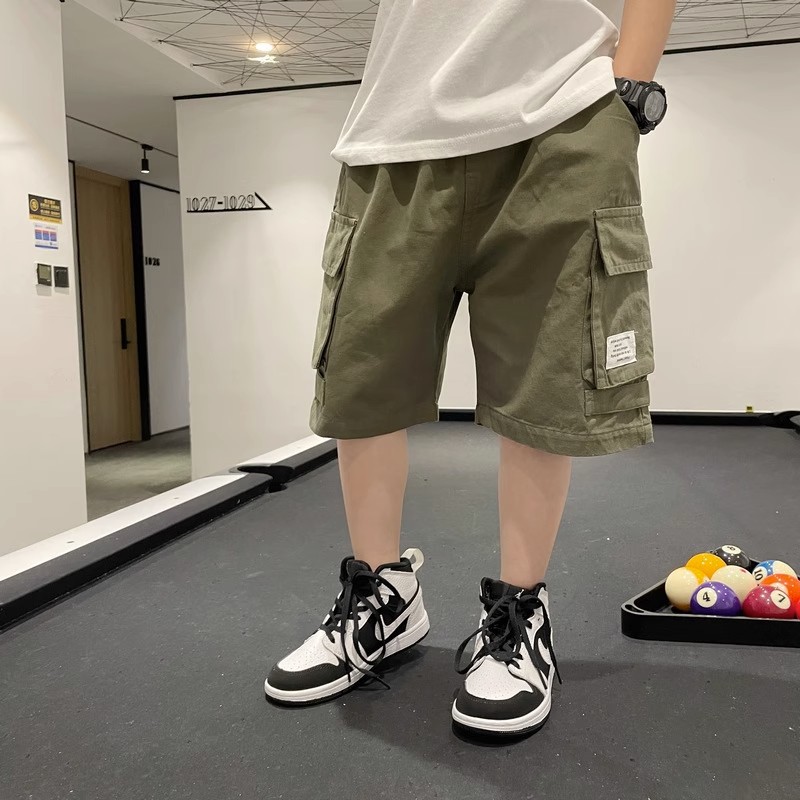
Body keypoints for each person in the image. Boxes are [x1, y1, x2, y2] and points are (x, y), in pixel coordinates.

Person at [264, 0, 675, 737]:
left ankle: (519, 613)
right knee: (360, 381)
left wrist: (628, 92)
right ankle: (383, 599)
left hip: (563, 117)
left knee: (546, 387)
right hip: (392, 129)